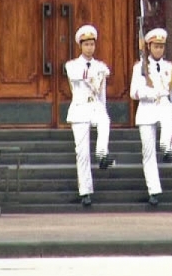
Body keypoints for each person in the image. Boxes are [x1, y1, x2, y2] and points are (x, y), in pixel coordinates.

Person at [130, 28, 172, 206]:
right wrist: (149, 92)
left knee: (168, 113)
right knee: (148, 154)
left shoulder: (169, 68)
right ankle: (153, 190)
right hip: (147, 109)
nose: (159, 50)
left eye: (162, 47)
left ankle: (166, 147)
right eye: (155, 46)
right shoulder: (140, 67)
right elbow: (134, 92)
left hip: (163, 105)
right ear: (149, 47)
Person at [64, 24, 114, 207]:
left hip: (95, 106)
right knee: (82, 152)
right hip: (79, 108)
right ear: (80, 46)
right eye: (86, 44)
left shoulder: (101, 66)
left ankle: (102, 154)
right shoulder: (72, 66)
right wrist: (96, 73)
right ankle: (85, 191)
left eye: (92, 44)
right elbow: (79, 77)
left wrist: (103, 107)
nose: (89, 48)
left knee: (105, 120)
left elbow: (102, 94)